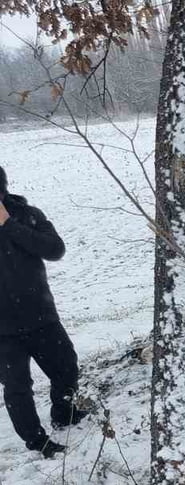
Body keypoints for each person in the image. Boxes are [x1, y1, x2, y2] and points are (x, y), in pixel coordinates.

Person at [0, 166, 86, 458]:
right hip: (2, 330)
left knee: (66, 366)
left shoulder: (26, 214)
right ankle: (37, 441)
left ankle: (64, 413)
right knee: (17, 386)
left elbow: (55, 249)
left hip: (41, 315)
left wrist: (9, 225)